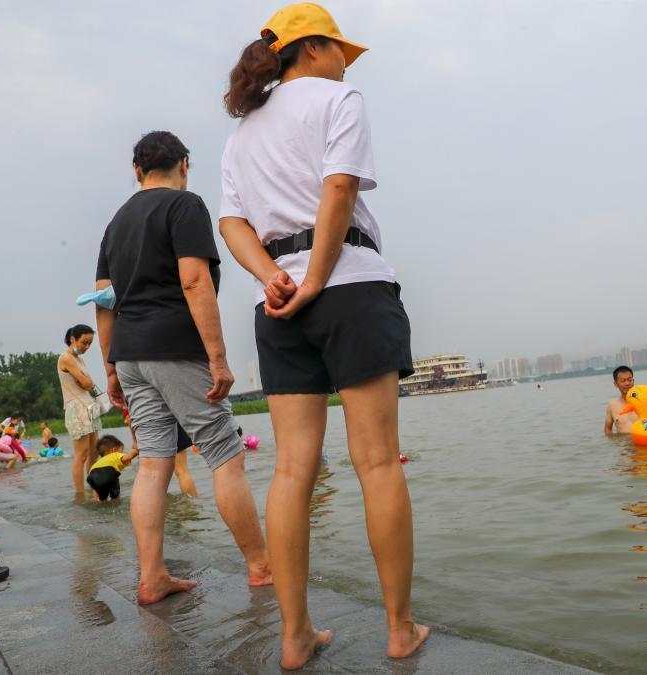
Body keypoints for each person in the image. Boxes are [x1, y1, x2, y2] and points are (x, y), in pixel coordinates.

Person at [219, 4, 427, 667]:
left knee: (289, 470)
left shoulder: (242, 132)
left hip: (276, 304)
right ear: (311, 47)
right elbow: (338, 187)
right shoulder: (338, 98)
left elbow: (233, 225)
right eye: (339, 48)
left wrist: (276, 278)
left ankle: (294, 635)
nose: (345, 60)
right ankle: (399, 629)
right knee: (375, 462)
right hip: (350, 285)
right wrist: (314, 275)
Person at [94, 129, 271, 605]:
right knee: (225, 456)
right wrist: (218, 356)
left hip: (130, 353)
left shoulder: (116, 223)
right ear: (184, 165)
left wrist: (111, 368)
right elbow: (194, 280)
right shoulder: (185, 205)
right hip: (175, 347)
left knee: (153, 464)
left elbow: (104, 302)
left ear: (137, 171)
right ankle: (260, 566)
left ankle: (152, 576)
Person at [59, 325, 103, 493]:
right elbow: (86, 383)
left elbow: (89, 383)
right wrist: (85, 381)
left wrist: (85, 381)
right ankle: (79, 494)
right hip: (77, 409)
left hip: (89, 407)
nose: (87, 347)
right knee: (81, 455)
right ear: (73, 339)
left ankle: (94, 489)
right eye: (84, 342)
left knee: (93, 452)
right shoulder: (66, 358)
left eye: (90, 343)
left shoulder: (79, 360)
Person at [87, 434, 139, 502]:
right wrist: (137, 449)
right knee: (115, 496)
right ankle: (116, 501)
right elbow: (129, 457)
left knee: (100, 497)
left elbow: (94, 474)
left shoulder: (99, 461)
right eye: (121, 450)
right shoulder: (115, 454)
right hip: (109, 473)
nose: (122, 452)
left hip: (92, 476)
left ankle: (97, 500)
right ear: (113, 450)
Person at [604, 366, 646, 435]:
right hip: (624, 444)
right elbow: (608, 430)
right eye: (623, 381)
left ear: (633, 381)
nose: (627, 383)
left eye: (629, 380)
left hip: (644, 442)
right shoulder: (612, 406)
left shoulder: (646, 400)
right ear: (616, 384)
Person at [173, 423, 198, 497]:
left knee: (151, 472)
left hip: (148, 420)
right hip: (172, 421)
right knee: (182, 471)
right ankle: (193, 503)